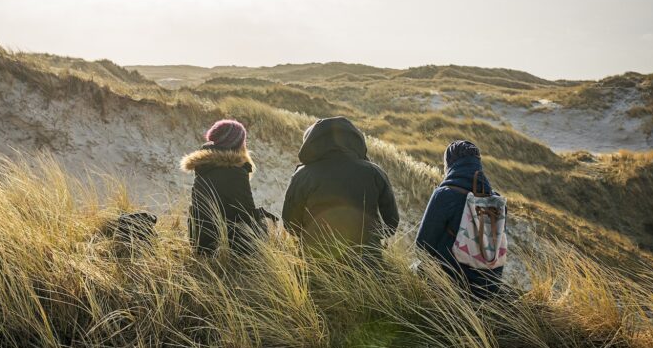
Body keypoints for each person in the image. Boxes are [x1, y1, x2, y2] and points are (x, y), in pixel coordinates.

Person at [281, 117, 399, 259]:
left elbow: (290, 224)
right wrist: (370, 239)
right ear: (356, 141)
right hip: (368, 265)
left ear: (312, 142)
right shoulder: (375, 172)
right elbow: (391, 224)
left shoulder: (302, 175)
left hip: (316, 265)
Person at [415, 140, 503, 297]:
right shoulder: (496, 200)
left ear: (450, 164)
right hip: (488, 288)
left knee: (415, 268)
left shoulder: (445, 194)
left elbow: (422, 247)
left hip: (452, 285)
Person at [181, 119, 265, 255]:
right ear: (237, 144)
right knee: (263, 223)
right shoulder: (235, 172)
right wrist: (263, 219)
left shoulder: (204, 166)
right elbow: (246, 213)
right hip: (221, 246)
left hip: (200, 240)